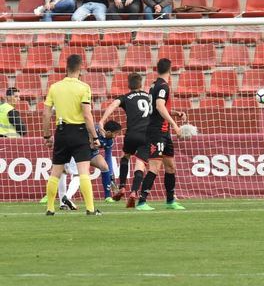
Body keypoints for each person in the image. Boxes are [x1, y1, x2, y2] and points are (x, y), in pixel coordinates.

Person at [42, 54, 102, 216]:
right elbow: (87, 115)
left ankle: (50, 208)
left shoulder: (55, 87)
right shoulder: (84, 87)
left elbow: (46, 113)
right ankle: (90, 209)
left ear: (66, 68)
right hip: (80, 132)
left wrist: (47, 136)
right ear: (80, 68)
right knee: (83, 171)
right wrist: (95, 137)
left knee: (56, 172)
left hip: (61, 132)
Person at [135, 58, 188, 211]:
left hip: (164, 132)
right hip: (157, 132)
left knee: (171, 166)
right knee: (155, 166)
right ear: (170, 70)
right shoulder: (163, 86)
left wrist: (175, 113)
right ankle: (142, 201)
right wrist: (175, 124)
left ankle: (170, 201)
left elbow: (160, 107)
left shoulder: (154, 85)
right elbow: (159, 106)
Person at [98, 73, 152, 205]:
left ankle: (122, 187)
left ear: (129, 85)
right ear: (141, 84)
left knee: (125, 157)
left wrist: (102, 121)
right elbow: (161, 109)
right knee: (140, 164)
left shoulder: (126, 97)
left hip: (131, 134)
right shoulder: (149, 97)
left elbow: (113, 105)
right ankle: (134, 192)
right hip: (146, 134)